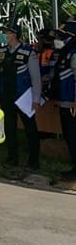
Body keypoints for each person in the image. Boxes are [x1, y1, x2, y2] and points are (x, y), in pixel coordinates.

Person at [0, 24, 41, 170]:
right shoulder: (0, 52)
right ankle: (12, 158)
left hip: (23, 97)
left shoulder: (27, 52)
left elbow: (36, 78)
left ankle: (33, 161)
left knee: (30, 129)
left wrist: (36, 99)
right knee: (9, 128)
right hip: (6, 96)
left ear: (15, 35)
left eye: (7, 32)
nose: (5, 35)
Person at [50, 21, 76, 180]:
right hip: (64, 101)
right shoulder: (65, 52)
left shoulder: (74, 53)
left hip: (71, 103)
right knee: (69, 135)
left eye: (63, 36)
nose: (58, 39)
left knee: (73, 136)